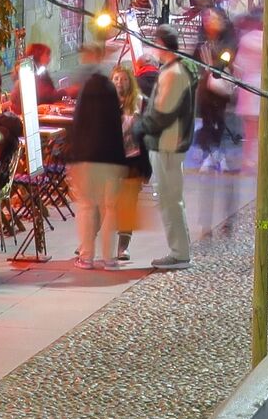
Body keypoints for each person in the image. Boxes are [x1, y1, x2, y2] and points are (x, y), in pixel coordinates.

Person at [136, 29, 196, 269]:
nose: (152, 50)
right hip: (168, 142)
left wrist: (139, 128)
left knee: (169, 198)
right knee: (172, 197)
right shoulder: (175, 70)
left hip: (167, 144)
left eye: (154, 44)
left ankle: (179, 253)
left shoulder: (173, 73)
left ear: (162, 44)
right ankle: (181, 249)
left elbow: (162, 113)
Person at [65, 60, 126, 269]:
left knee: (86, 206)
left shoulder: (85, 92)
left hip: (88, 159)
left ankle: (86, 256)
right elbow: (117, 128)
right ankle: (110, 259)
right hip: (111, 158)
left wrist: (74, 159)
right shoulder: (110, 90)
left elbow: (78, 127)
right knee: (110, 208)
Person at [110, 65, 150, 264]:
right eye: (116, 79)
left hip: (133, 158)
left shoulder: (140, 103)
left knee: (128, 203)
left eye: (124, 79)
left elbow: (147, 133)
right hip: (112, 159)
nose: (120, 83)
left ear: (130, 81)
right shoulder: (107, 103)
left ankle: (123, 246)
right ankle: (88, 241)